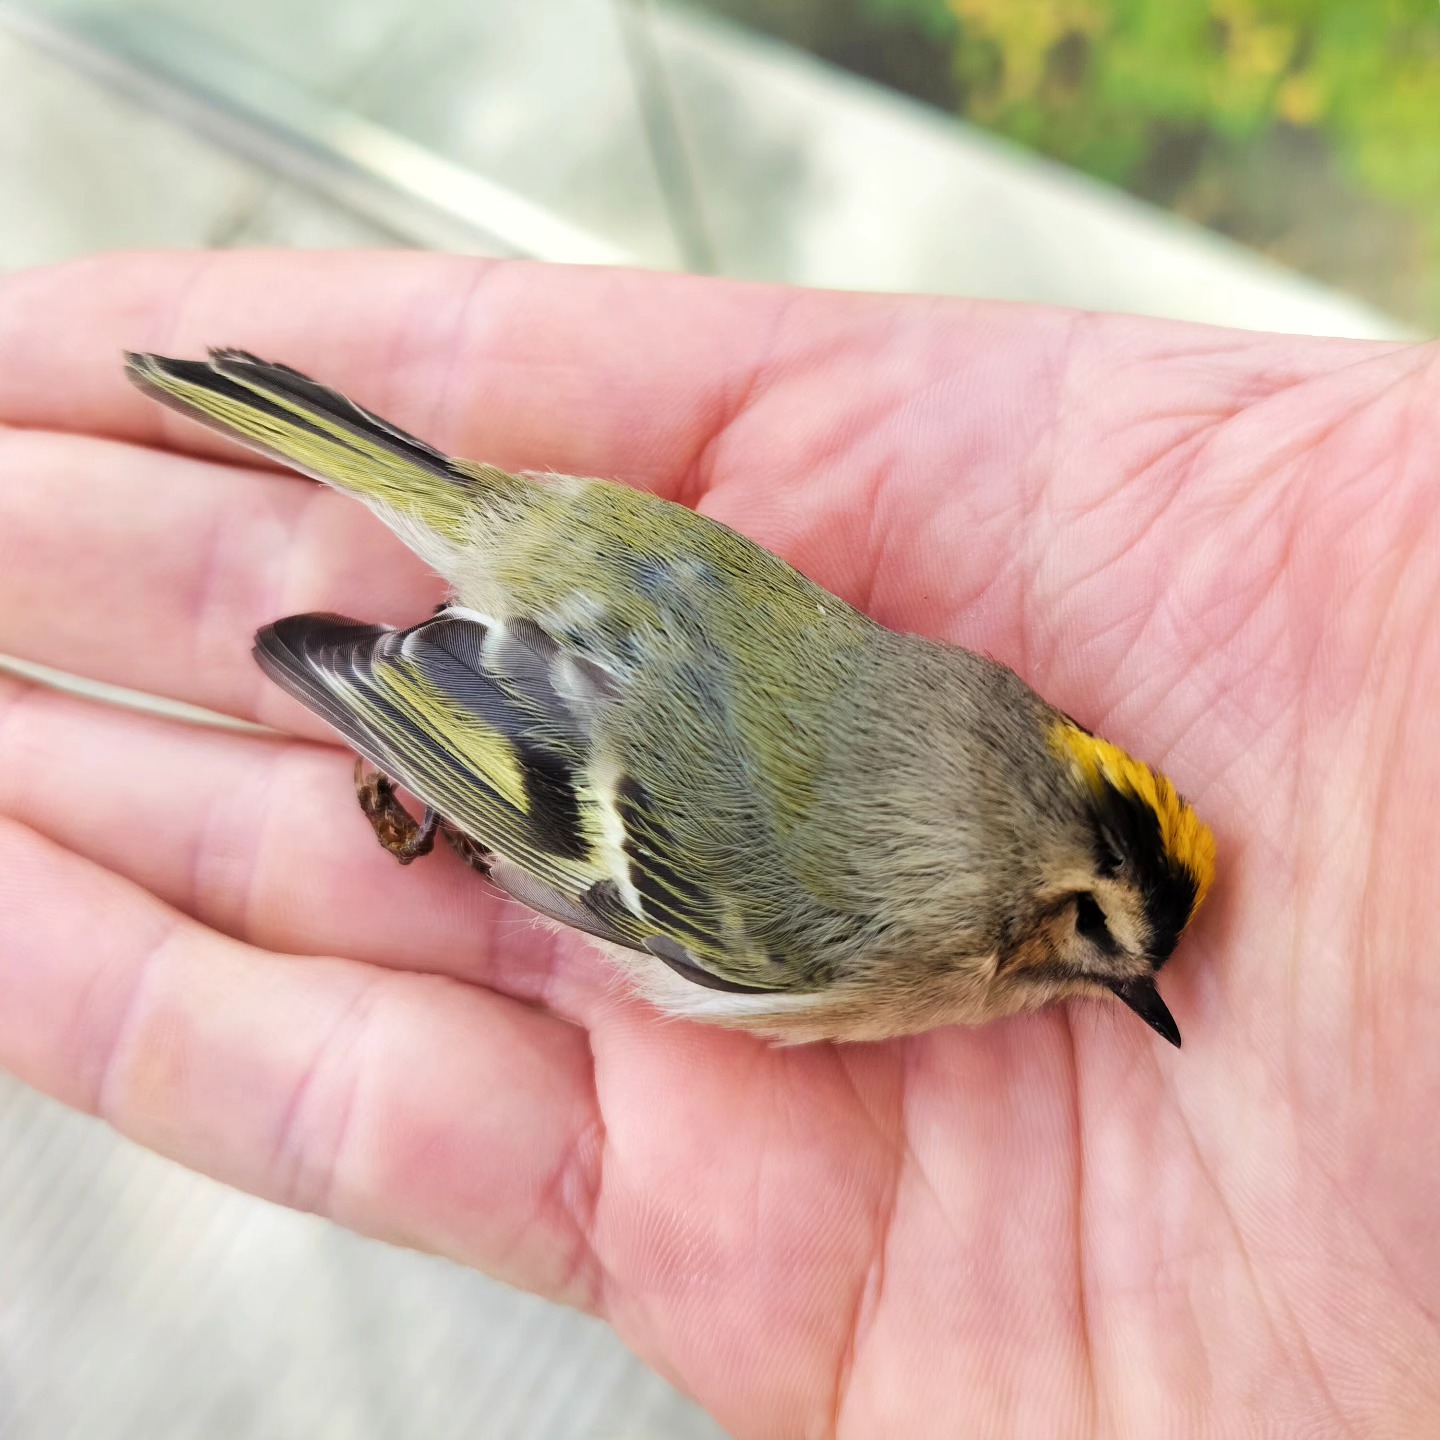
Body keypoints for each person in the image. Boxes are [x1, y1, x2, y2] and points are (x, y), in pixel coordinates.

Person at [0, 250, 1434, 1437]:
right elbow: (569, 821)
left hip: (610, 553)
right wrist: (404, 723)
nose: (1097, 981)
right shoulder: (874, 937)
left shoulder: (963, 716)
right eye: (1092, 941)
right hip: (549, 682)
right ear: (1042, 900)